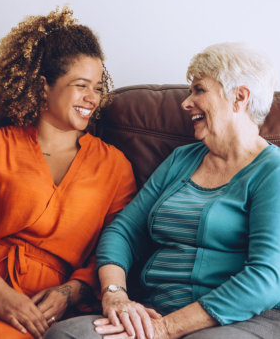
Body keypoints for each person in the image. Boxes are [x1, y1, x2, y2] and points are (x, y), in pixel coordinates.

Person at [44, 42, 280, 339]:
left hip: (238, 320)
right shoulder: (182, 159)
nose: (186, 103)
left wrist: (166, 329)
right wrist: (115, 294)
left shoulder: (272, 171)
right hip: (154, 310)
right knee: (65, 335)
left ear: (239, 97)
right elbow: (124, 230)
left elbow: (267, 279)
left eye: (199, 90)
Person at [0, 7, 136, 339]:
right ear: (43, 86)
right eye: (81, 85)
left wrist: (70, 292)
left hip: (50, 306)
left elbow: (114, 250)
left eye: (98, 87)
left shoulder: (115, 166)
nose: (92, 98)